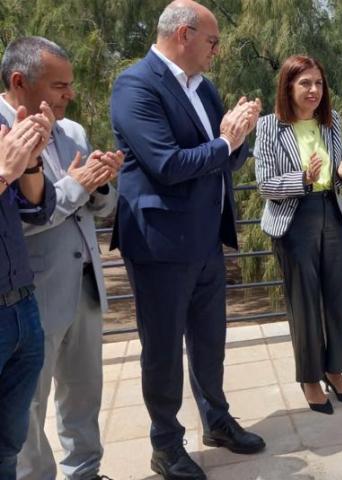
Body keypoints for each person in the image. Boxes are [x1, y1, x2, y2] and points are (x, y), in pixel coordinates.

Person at [109, 1, 265, 478]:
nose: (217, 51)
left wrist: (239, 135)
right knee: (162, 351)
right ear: (184, 34)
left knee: (209, 342)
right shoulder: (135, 85)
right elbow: (168, 165)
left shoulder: (204, 87)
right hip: (159, 244)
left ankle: (216, 421)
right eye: (213, 41)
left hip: (206, 240)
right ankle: (165, 444)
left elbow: (226, 159)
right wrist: (225, 141)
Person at [1, 36, 122, 480]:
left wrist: (102, 182)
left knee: (84, 392)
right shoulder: (3, 135)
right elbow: (22, 219)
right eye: (59, 86)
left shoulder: (71, 132)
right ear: (20, 81)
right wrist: (75, 187)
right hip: (32, 294)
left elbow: (101, 208)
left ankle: (85, 472)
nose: (70, 94)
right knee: (26, 409)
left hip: (85, 286)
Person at [254, 54, 342, 415]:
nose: (314, 90)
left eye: (318, 83)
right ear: (288, 86)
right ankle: (309, 378)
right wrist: (302, 179)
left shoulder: (331, 124)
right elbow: (265, 184)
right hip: (294, 220)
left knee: (336, 299)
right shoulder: (270, 126)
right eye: (305, 83)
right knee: (303, 303)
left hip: (331, 214)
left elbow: (333, 174)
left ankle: (334, 370)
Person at [0, 103, 55, 479]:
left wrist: (31, 163)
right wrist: (4, 172)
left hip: (22, 305)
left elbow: (34, 209)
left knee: (10, 444)